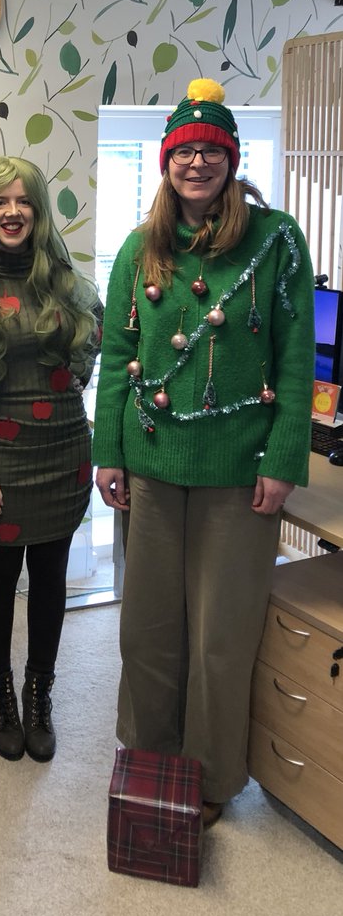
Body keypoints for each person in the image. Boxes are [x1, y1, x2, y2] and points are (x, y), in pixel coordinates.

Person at [93, 78, 314, 827]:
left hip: (239, 473)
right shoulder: (140, 246)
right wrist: (108, 454)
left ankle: (213, 779)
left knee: (221, 636)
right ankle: (150, 756)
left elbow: (293, 359)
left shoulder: (276, 239)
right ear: (165, 162)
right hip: (152, 467)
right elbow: (118, 352)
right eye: (183, 151)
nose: (196, 163)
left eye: (210, 151)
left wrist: (285, 458)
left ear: (231, 159)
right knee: (149, 629)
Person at [0, 156, 102, 761]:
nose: (11, 213)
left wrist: (73, 379)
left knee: (52, 578)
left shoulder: (63, 280)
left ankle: (40, 694)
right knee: (1, 576)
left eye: (22, 201)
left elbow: (96, 326)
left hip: (63, 453)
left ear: (37, 209)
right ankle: (1, 694)